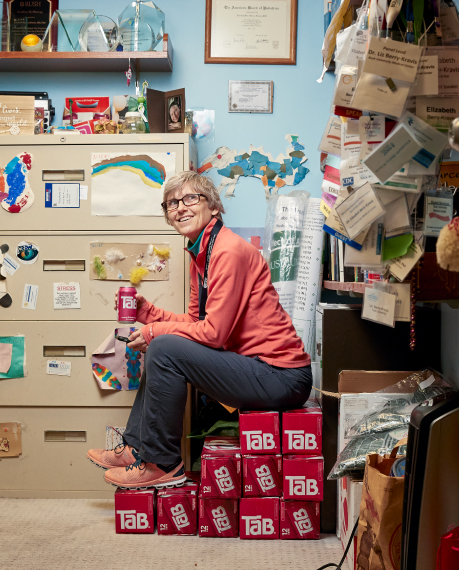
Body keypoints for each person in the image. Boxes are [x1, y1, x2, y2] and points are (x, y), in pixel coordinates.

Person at [87, 171, 312, 489]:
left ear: (214, 207)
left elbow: (215, 334)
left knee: (163, 346)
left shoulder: (228, 251)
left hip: (282, 376)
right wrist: (147, 314)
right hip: (258, 369)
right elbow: (196, 323)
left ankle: (163, 462)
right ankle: (137, 448)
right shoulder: (201, 255)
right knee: (164, 343)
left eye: (190, 198)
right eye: (172, 203)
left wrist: (154, 333)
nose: (180, 207)